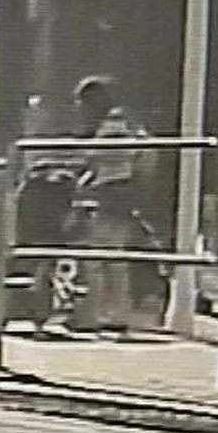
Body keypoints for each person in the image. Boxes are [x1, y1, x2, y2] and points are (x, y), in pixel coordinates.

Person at [71, 75, 160, 333]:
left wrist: (87, 158)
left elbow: (107, 156)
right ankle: (117, 313)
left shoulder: (114, 123)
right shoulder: (127, 120)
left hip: (112, 191)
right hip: (123, 191)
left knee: (97, 258)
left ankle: (93, 315)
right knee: (116, 258)